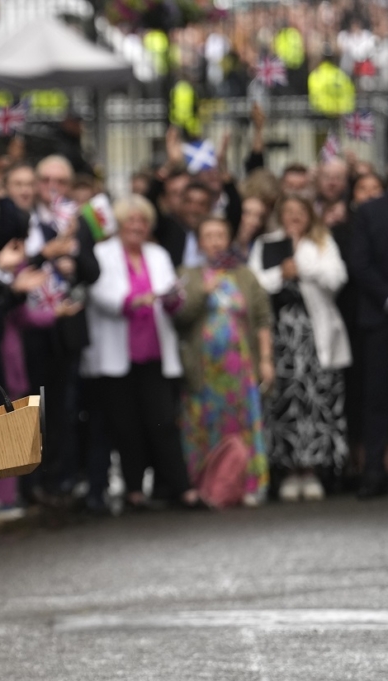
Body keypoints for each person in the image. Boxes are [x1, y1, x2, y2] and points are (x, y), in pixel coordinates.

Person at [84, 196, 197, 509]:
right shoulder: (102, 253)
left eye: (142, 221)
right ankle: (134, 490)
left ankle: (181, 487)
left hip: (154, 351)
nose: (137, 226)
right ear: (119, 224)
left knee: (162, 421)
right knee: (125, 425)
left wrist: (173, 298)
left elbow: (171, 292)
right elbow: (99, 294)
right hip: (117, 353)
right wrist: (133, 300)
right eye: (130, 220)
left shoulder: (157, 253)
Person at [249, 195, 350, 501]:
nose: (293, 217)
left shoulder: (321, 242)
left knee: (316, 399)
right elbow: (255, 285)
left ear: (309, 216)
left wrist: (302, 267)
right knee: (285, 399)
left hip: (314, 334)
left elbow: (336, 278)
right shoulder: (266, 243)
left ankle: (313, 469)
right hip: (279, 336)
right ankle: (289, 469)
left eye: (299, 212)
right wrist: (281, 273)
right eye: (288, 212)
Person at [174, 216, 274, 505]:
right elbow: (180, 316)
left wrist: (266, 359)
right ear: (200, 242)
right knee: (203, 425)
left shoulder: (245, 275)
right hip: (203, 369)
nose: (216, 241)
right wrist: (202, 293)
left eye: (220, 235)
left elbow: (262, 319)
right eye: (209, 235)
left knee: (242, 424)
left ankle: (249, 484)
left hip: (240, 368)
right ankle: (208, 486)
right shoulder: (188, 274)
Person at [346, 189, 388, 499]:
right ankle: (373, 471)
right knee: (376, 398)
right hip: (380, 319)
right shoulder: (369, 212)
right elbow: (358, 262)